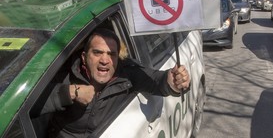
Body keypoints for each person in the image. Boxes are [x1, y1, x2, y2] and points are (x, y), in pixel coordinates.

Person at [42, 28, 191, 138]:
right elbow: (31, 104)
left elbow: (157, 80)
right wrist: (71, 93)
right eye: (97, 52)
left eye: (111, 54)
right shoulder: (66, 73)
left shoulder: (127, 73)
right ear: (84, 56)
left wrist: (172, 81)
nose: (105, 60)